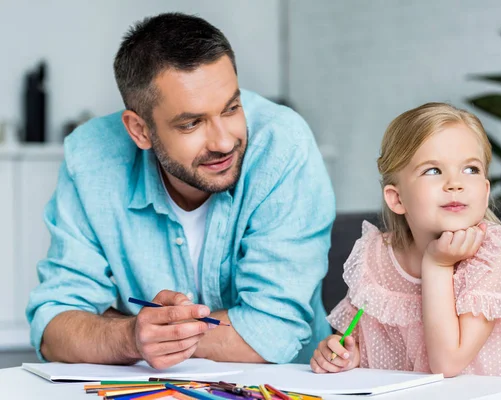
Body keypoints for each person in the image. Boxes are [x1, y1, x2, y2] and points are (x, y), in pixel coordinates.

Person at [26, 12, 335, 369]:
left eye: (231, 108)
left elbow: (272, 331)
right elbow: (54, 328)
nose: (223, 141)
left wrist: (114, 330)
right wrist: (131, 337)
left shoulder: (282, 144)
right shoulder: (91, 157)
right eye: (191, 123)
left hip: (281, 388)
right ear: (139, 130)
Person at [310, 103, 501, 399]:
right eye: (433, 170)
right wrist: (343, 356)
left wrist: (436, 265)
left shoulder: (498, 253)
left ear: (485, 192)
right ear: (397, 199)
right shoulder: (375, 256)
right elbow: (355, 344)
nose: (455, 183)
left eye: (470, 169)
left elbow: (447, 363)